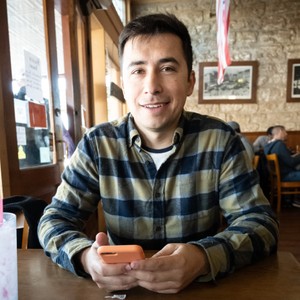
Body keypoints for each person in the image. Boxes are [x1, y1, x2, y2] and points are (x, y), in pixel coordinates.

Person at [38, 13, 278, 294]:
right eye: (138, 71)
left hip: (199, 290)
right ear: (124, 84)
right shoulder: (97, 144)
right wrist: (85, 257)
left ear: (190, 81)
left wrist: (202, 258)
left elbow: (261, 223)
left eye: (167, 68)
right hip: (124, 289)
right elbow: (54, 219)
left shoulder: (220, 140)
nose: (152, 87)